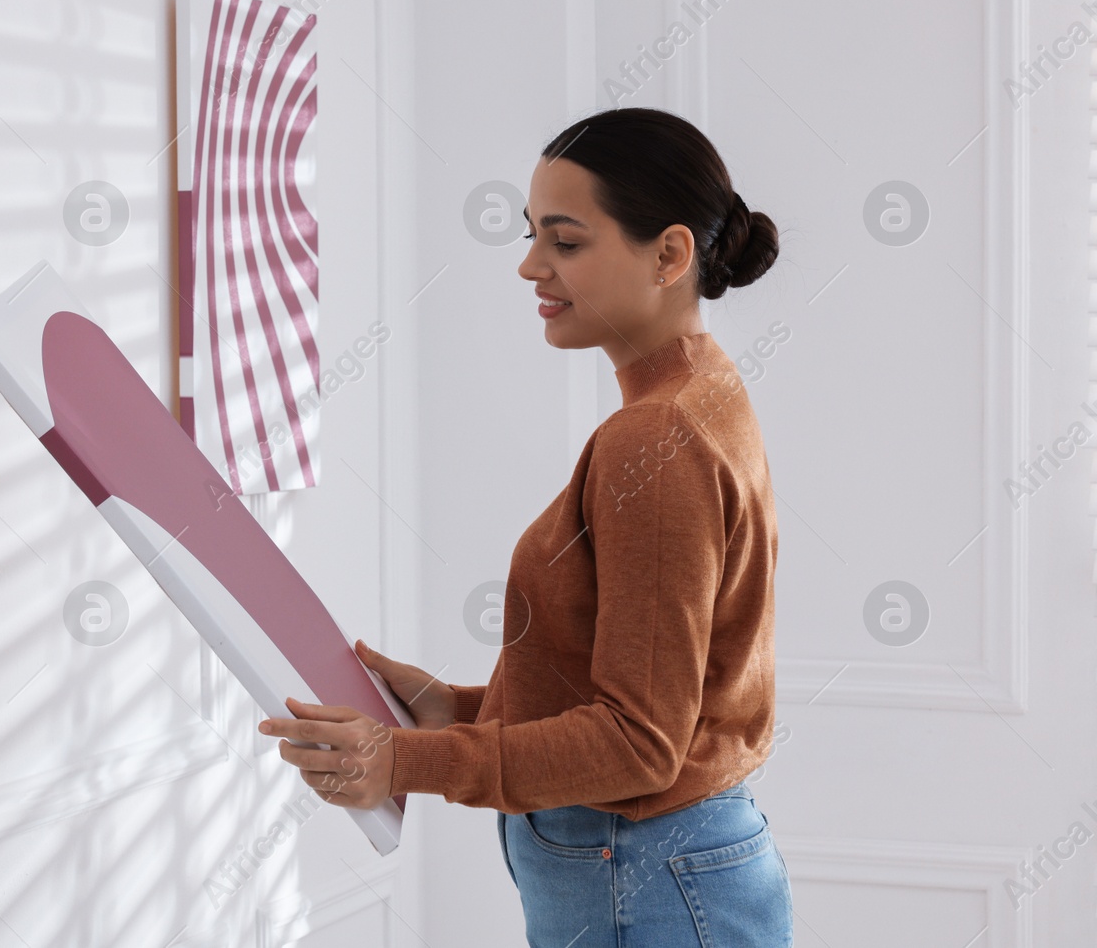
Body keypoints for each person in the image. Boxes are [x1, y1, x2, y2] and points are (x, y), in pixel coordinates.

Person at [258, 106, 792, 946]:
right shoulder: (703, 393)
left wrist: (400, 762)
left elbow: (639, 743)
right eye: (531, 233)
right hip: (664, 871)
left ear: (670, 253)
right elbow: (655, 698)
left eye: (566, 241)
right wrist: (459, 711)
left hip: (644, 874)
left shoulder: (656, 434)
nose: (530, 265)